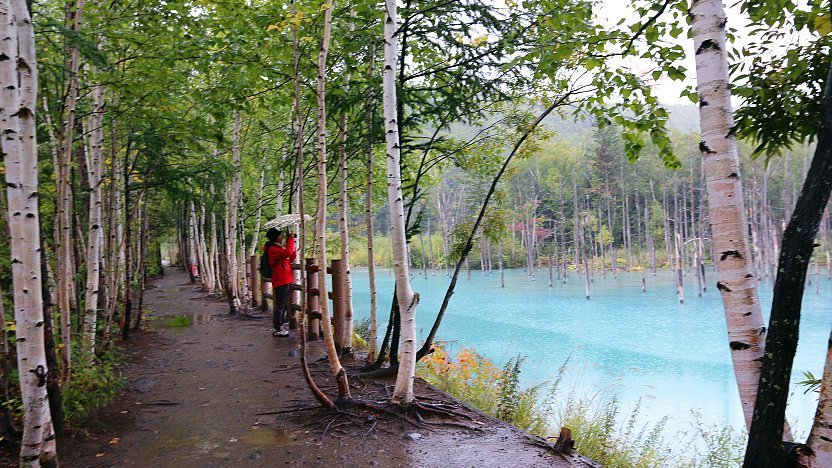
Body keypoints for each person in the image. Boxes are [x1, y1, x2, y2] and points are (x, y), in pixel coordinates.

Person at [265, 227, 296, 336]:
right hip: (280, 279)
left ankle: (281, 324)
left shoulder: (278, 247)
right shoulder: (273, 249)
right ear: (275, 237)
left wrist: (292, 243)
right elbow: (287, 252)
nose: (281, 236)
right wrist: (290, 240)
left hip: (284, 278)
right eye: (279, 235)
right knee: (280, 304)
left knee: (283, 304)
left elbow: (291, 255)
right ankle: (278, 328)